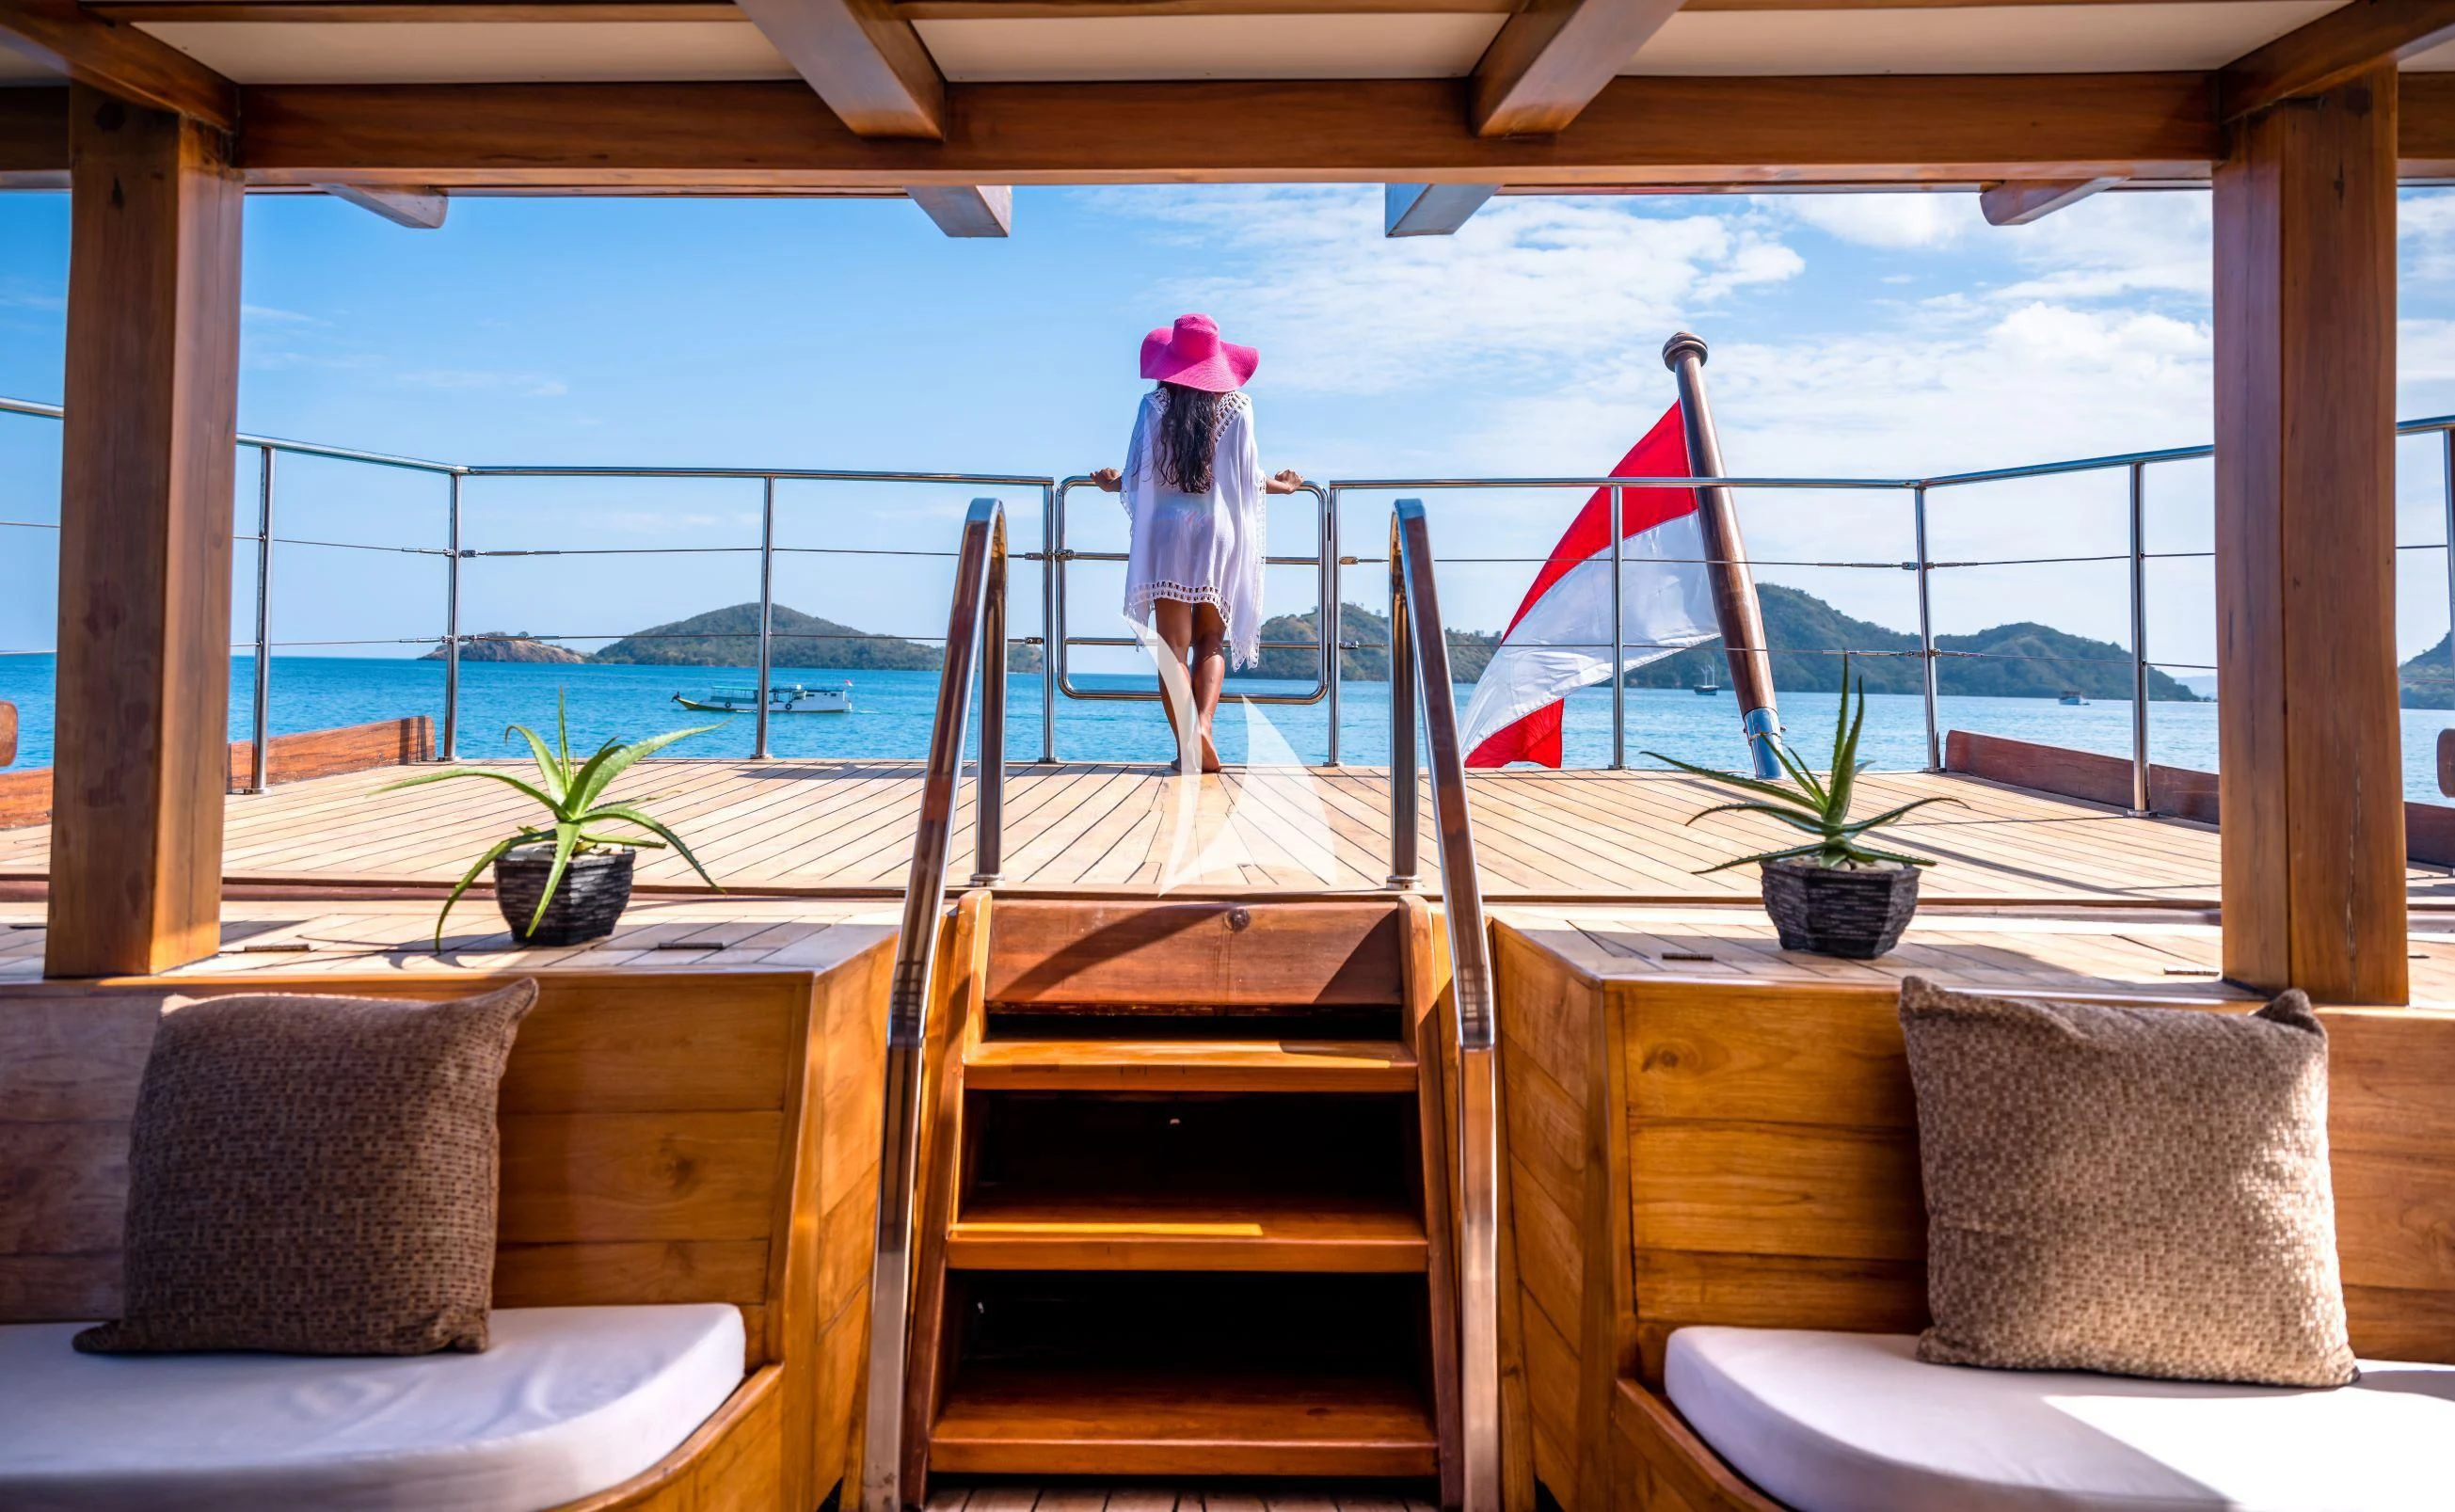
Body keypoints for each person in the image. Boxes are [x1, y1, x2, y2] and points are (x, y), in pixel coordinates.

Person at [1092, 313, 1305, 772]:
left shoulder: (1153, 406)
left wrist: (1110, 483)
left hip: (1168, 531)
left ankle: (1188, 747)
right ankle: (1204, 728)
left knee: (1171, 647)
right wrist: (1285, 486)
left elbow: (1136, 474)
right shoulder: (1239, 407)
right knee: (1210, 641)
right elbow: (1247, 478)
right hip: (1218, 532)